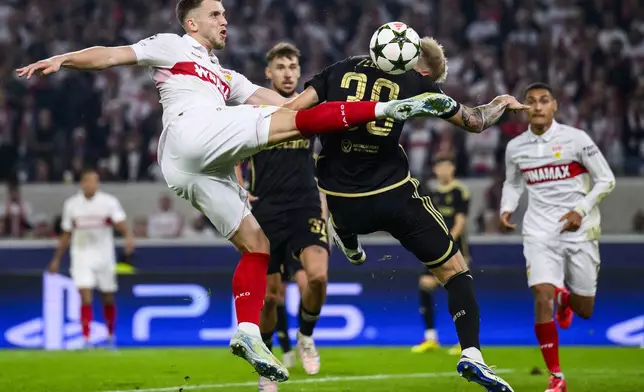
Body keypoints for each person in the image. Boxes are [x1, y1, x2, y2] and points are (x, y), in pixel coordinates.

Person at [16, 0, 450, 382]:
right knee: (291, 128)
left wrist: (332, 97)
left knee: (255, 244)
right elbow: (111, 55)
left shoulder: (227, 76)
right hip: (192, 132)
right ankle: (390, 108)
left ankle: (246, 332)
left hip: (195, 169)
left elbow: (288, 105)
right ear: (191, 24)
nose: (225, 20)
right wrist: (64, 58)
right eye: (216, 13)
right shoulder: (172, 45)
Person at [286, 36, 526, 391]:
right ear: (417, 63)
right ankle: (471, 353)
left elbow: (293, 112)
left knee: (342, 209)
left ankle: (347, 238)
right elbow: (476, 121)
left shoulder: (337, 70)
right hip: (392, 195)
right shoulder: (415, 83)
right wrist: (500, 102)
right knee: (455, 270)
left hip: (342, 198)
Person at [500, 82, 616, 392]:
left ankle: (566, 299)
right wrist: (507, 208)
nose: (537, 106)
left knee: (585, 310)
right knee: (541, 295)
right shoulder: (515, 147)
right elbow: (512, 183)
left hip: (580, 230)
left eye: (544, 101)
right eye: (531, 102)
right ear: (524, 108)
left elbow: (607, 179)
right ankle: (556, 377)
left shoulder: (576, 140)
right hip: (538, 230)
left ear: (555, 107)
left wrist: (580, 209)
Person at [235, 42, 329, 391]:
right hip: (267, 209)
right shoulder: (255, 109)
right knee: (270, 297)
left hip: (306, 204)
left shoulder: (308, 106)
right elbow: (233, 153)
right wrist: (239, 187)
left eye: (293, 66)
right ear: (268, 73)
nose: (288, 72)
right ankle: (267, 364)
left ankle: (306, 335)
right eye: (281, 67)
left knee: (317, 278)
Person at [48, 169, 135, 349]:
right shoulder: (72, 204)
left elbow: (120, 222)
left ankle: (110, 335)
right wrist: (56, 259)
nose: (91, 185)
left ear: (98, 184)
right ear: (82, 183)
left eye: (94, 181)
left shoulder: (109, 202)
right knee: (85, 294)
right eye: (88, 181)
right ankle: (86, 338)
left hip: (104, 254)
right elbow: (66, 233)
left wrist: (128, 236)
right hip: (81, 254)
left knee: (108, 296)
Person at [411, 157, 470, 357]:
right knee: (425, 286)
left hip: (454, 250)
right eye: (439, 166)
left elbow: (460, 223)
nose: (443, 170)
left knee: (458, 292)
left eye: (446, 166)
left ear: (453, 168)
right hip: (435, 249)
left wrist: (446, 243)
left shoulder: (459, 191)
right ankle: (430, 337)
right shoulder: (432, 193)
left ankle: (466, 342)